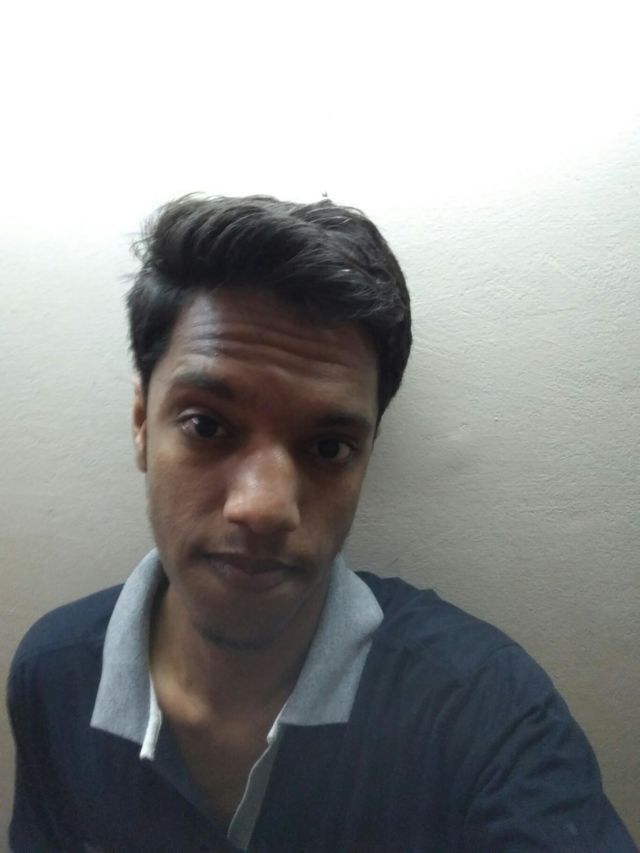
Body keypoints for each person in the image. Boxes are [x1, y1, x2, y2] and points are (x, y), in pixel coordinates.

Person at [7, 195, 635, 853]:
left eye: (328, 447)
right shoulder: (54, 675)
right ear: (142, 423)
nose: (264, 507)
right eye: (207, 426)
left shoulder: (487, 707)